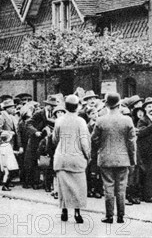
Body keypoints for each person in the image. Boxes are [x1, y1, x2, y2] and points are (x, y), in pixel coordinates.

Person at [91, 92, 137, 224]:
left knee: (108, 188)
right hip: (123, 159)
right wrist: (132, 161)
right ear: (119, 104)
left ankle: (109, 216)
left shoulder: (100, 120)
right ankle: (121, 216)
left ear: (106, 104)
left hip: (106, 158)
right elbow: (132, 143)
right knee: (121, 188)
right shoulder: (127, 120)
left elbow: (93, 139)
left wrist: (101, 148)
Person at [52, 95, 90, 224]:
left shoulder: (59, 121)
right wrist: (88, 156)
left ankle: (64, 211)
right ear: (78, 106)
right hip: (77, 158)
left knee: (63, 187)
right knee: (79, 187)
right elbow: (84, 142)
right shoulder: (81, 121)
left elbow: (54, 139)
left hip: (61, 158)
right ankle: (77, 212)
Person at [25, 96, 58, 189]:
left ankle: (41, 182)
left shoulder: (53, 114)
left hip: (46, 140)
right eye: (51, 106)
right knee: (33, 161)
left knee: (44, 161)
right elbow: (28, 123)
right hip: (35, 140)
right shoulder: (39, 113)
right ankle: (31, 182)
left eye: (54, 106)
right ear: (46, 105)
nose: (52, 107)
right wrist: (35, 132)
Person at [136, 98, 152, 203]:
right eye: (149, 107)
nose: (151, 109)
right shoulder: (143, 120)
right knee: (149, 173)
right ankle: (148, 196)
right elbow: (141, 133)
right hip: (146, 150)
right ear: (145, 109)